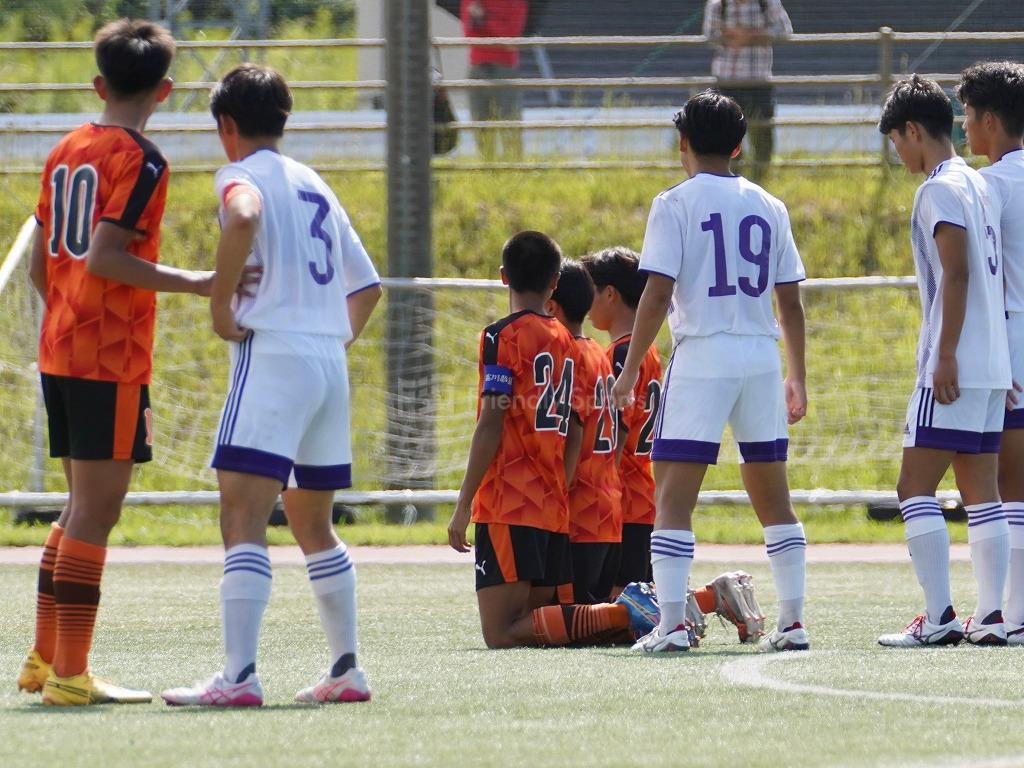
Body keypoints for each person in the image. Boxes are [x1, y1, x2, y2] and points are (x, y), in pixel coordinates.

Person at [160, 64, 382, 706]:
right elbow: (367, 288)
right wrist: (328, 339)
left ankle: (238, 676)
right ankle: (346, 668)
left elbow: (243, 215)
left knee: (242, 516)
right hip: (326, 365)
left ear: (225, 126)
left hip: (274, 357)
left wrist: (220, 307)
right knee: (315, 522)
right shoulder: (315, 183)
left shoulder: (242, 175)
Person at [16, 19, 218, 706]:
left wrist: (65, 309)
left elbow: (46, 260)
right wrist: (196, 281)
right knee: (96, 512)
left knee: (79, 505)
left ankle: (46, 659)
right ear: (164, 90)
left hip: (61, 347)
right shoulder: (143, 159)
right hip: (107, 357)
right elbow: (105, 254)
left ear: (98, 84)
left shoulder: (67, 147)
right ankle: (72, 675)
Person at [610, 90, 810, 654]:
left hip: (702, 354)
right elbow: (790, 302)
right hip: (759, 356)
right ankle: (793, 622)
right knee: (773, 492)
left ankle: (672, 625)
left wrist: (626, 375)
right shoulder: (771, 205)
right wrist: (798, 375)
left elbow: (657, 294)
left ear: (683, 144)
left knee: (672, 492)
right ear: (741, 146)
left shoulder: (674, 203)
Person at [446, 231, 657, 648]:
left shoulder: (500, 335)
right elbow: (578, 429)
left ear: (504, 277)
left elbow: (492, 421)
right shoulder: (572, 342)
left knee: (501, 632)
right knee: (542, 622)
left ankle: (626, 612)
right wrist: (560, 488)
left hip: (509, 499)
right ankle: (631, 612)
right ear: (555, 283)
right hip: (554, 503)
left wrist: (463, 502)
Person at [876, 75, 1012, 648]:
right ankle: (993, 614)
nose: (899, 155)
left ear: (912, 130)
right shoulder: (979, 184)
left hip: (954, 361)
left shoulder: (939, 189)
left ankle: (939, 618)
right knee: (984, 493)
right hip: (992, 362)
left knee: (914, 487)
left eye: (897, 143)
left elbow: (955, 272)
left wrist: (945, 354)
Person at [958, 61, 1024, 646]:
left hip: (1012, 341)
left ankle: (1004, 612)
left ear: (993, 121)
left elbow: (982, 277)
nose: (964, 131)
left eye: (970, 119)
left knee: (1004, 481)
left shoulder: (988, 186)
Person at [581, 248, 662, 594]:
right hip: (644, 496)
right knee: (640, 604)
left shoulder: (620, 355)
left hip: (622, 502)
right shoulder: (650, 351)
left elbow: (617, 431)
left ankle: (709, 597)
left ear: (610, 294)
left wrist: (599, 497)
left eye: (591, 291)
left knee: (619, 609)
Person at [546, 260, 623, 604]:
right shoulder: (597, 350)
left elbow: (574, 433)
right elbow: (616, 429)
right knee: (598, 619)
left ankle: (700, 601)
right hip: (608, 504)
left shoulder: (571, 353)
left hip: (581, 512)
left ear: (552, 303)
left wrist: (556, 498)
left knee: (570, 622)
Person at [702, 0, 792, 182]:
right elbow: (709, 36)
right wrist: (729, 36)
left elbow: (785, 31)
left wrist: (750, 36)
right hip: (727, 81)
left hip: (758, 80)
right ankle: (732, 182)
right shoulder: (718, 5)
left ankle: (760, 182)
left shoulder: (766, 3)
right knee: (726, 138)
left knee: (763, 137)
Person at [461, 0, 528, 160]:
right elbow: (469, 35)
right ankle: (486, 166)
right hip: (478, 66)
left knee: (510, 122)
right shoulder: (471, 2)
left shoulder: (515, 3)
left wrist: (485, 19)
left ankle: (514, 167)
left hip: (504, 68)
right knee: (480, 123)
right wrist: (494, 25)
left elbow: (511, 38)